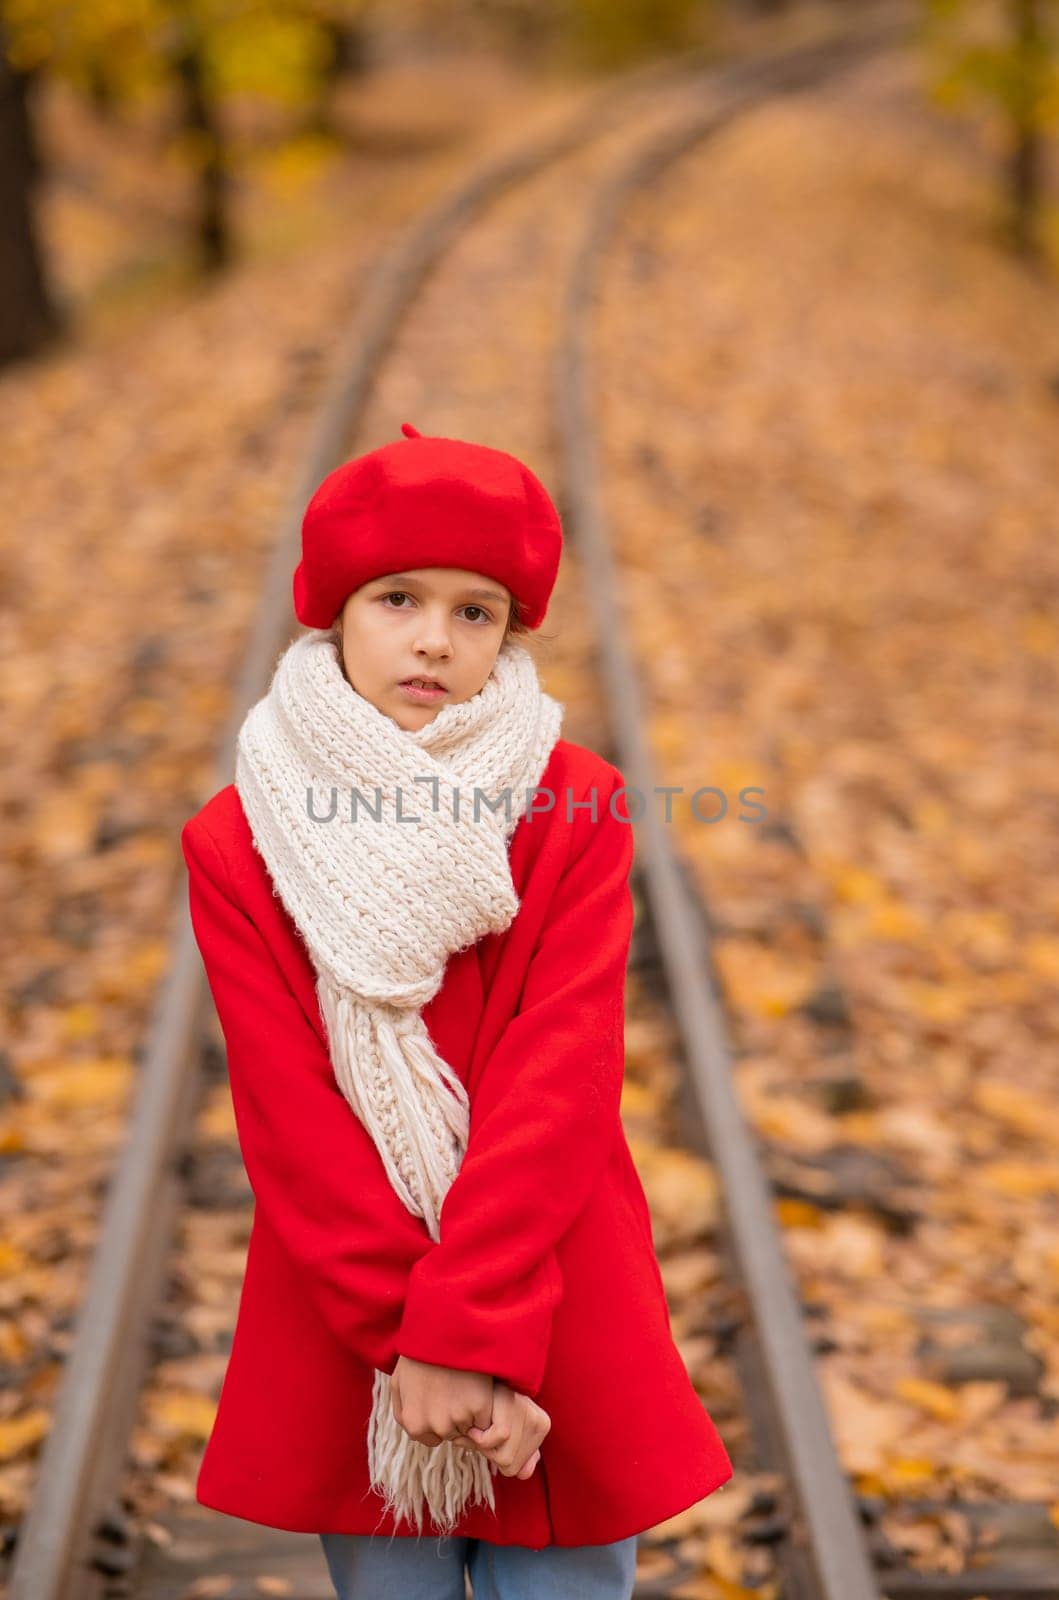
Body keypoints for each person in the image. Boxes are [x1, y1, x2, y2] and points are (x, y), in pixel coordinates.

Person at [180, 421, 733, 1600]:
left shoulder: (573, 804)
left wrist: (464, 1334)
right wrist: (410, 1344)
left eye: (476, 612)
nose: (434, 638)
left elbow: (561, 1078)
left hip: (558, 1294)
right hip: (355, 1320)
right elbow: (291, 1118)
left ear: (510, 632)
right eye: (398, 598)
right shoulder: (239, 838)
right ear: (335, 609)